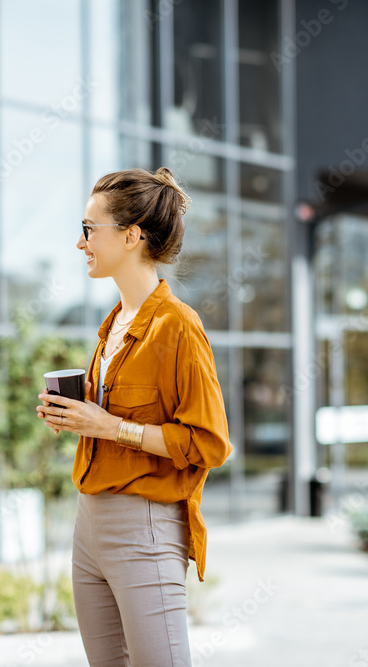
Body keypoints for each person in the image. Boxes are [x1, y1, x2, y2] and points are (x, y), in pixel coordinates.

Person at [37, 167, 232, 666]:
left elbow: (210, 443)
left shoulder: (178, 327)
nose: (81, 242)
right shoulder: (113, 325)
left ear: (130, 235)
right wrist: (79, 417)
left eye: (88, 228)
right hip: (89, 525)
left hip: (145, 527)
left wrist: (111, 427)